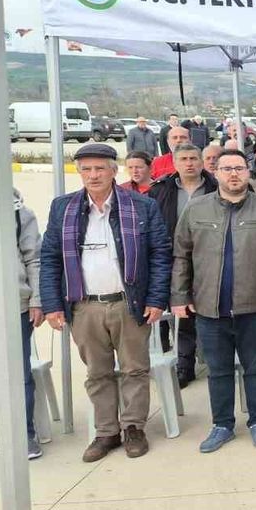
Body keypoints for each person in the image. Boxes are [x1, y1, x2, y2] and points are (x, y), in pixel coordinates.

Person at [39, 144, 171, 462]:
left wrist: (156, 298)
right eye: (86, 169)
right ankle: (106, 432)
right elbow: (51, 258)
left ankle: (134, 428)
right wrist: (52, 304)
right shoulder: (63, 207)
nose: (93, 175)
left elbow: (160, 253)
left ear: (114, 170)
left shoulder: (141, 205)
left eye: (100, 168)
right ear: (79, 172)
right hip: (84, 306)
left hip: (129, 303)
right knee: (97, 373)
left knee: (134, 369)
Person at [171, 148, 256, 452]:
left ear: (248, 173)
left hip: (255, 305)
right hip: (209, 308)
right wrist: (180, 295)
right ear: (215, 173)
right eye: (227, 169)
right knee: (218, 370)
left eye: (239, 168)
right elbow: (181, 255)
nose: (233, 174)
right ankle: (222, 425)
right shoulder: (196, 209)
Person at [147, 142, 216, 387]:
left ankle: (215, 363)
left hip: (210, 259)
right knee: (183, 314)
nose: (189, 163)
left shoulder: (216, 187)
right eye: (184, 159)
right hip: (175, 259)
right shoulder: (160, 190)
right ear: (174, 163)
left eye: (193, 158)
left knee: (212, 314)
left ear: (202, 162)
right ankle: (185, 365)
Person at [15, 189, 44, 459]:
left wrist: (37, 300)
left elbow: (34, 259)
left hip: (15, 307)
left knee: (19, 376)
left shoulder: (19, 213)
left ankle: (24, 434)